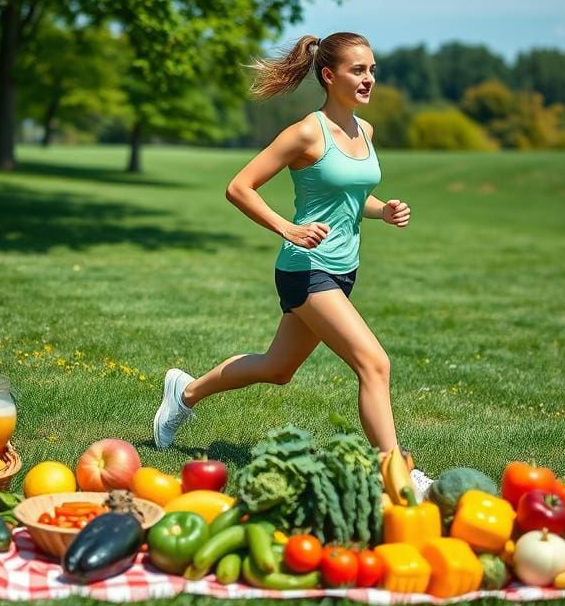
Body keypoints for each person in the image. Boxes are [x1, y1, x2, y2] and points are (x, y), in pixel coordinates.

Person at [154, 31, 410, 454]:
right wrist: (286, 228)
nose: (369, 80)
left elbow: (352, 196)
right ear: (329, 75)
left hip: (344, 269)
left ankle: (184, 394)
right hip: (306, 269)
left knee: (278, 368)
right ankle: (396, 472)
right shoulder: (307, 133)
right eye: (358, 70)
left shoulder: (365, 129)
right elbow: (240, 187)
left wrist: (382, 210)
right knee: (374, 363)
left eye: (372, 71)